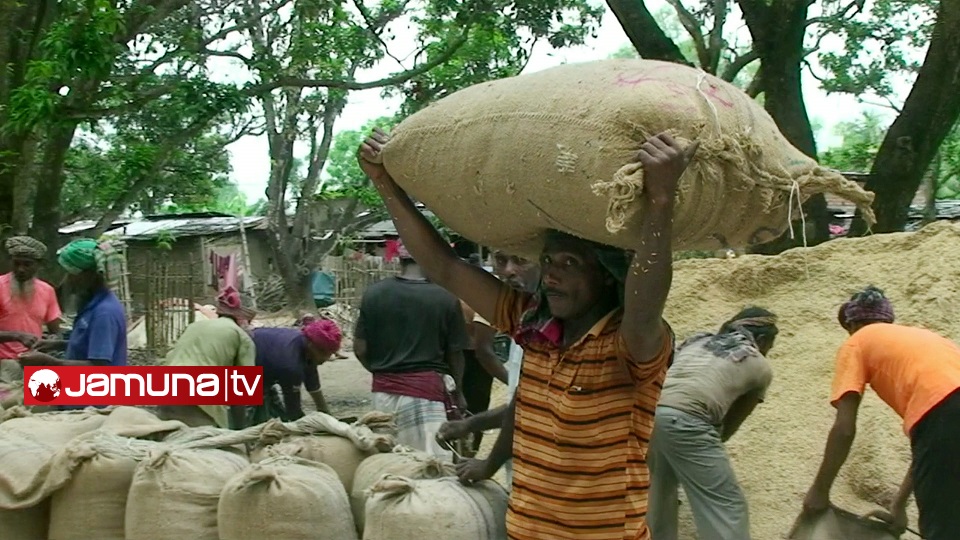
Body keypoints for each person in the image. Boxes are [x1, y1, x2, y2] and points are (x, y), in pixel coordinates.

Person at [358, 127, 696, 539]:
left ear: (609, 278)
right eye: (549, 261)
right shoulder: (530, 328)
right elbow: (445, 267)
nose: (550, 275)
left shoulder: (629, 346)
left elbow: (645, 306)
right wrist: (384, 183)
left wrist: (661, 200)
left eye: (570, 264)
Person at [803, 286, 960, 540]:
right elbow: (930, 449)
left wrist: (820, 491)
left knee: (943, 528)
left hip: (945, 417)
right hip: (945, 418)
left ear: (853, 325)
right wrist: (898, 506)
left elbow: (844, 428)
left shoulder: (857, 342)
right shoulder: (928, 340)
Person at [648, 307, 779, 540]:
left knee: (658, 494)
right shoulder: (758, 363)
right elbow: (730, 425)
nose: (769, 350)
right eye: (770, 343)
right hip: (690, 420)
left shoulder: (696, 342)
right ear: (761, 339)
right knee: (724, 505)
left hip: (651, 414)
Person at [354, 242, 471, 458]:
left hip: (382, 395)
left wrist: (384, 372)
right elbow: (456, 354)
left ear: (399, 259)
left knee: (388, 461)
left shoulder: (373, 294)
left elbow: (360, 349)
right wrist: (459, 393)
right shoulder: (445, 298)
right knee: (431, 465)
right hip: (426, 396)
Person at [437, 251, 540, 487]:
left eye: (521, 259)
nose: (508, 271)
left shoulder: (553, 331)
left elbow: (530, 409)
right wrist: (469, 425)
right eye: (501, 261)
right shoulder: (526, 322)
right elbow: (522, 407)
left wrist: (489, 464)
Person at [157, 286, 257, 429]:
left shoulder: (194, 326)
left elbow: (171, 357)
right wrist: (239, 433)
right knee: (202, 444)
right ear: (244, 320)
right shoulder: (241, 337)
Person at [249, 318, 342, 423]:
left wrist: (326, 415)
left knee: (277, 417)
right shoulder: (291, 365)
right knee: (249, 421)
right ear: (312, 346)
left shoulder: (306, 344)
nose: (327, 358)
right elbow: (293, 410)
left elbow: (313, 383)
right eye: (326, 354)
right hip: (241, 366)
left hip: (264, 362)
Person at [0, 236, 62, 383]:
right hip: (4, 361)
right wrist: (16, 336)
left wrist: (51, 342)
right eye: (16, 264)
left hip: (35, 360)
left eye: (27, 264)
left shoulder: (47, 291)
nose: (21, 269)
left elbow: (55, 331)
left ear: (38, 265)